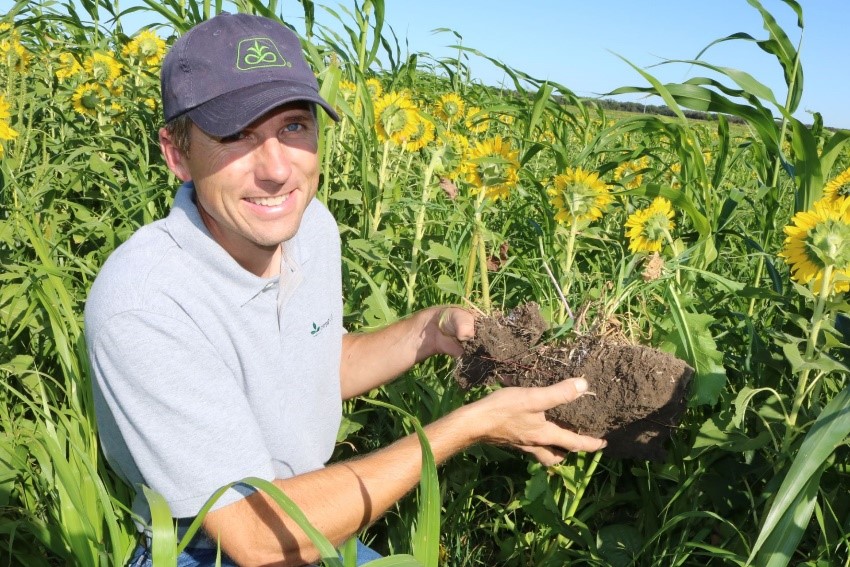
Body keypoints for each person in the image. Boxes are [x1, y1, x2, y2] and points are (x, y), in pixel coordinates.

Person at [84, 12, 607, 567]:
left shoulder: (310, 226)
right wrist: (468, 426)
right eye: (236, 135)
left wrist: (430, 329)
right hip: (214, 545)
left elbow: (315, 366)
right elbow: (255, 538)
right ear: (177, 153)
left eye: (293, 127)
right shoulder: (146, 303)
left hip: (316, 516)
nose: (278, 170)